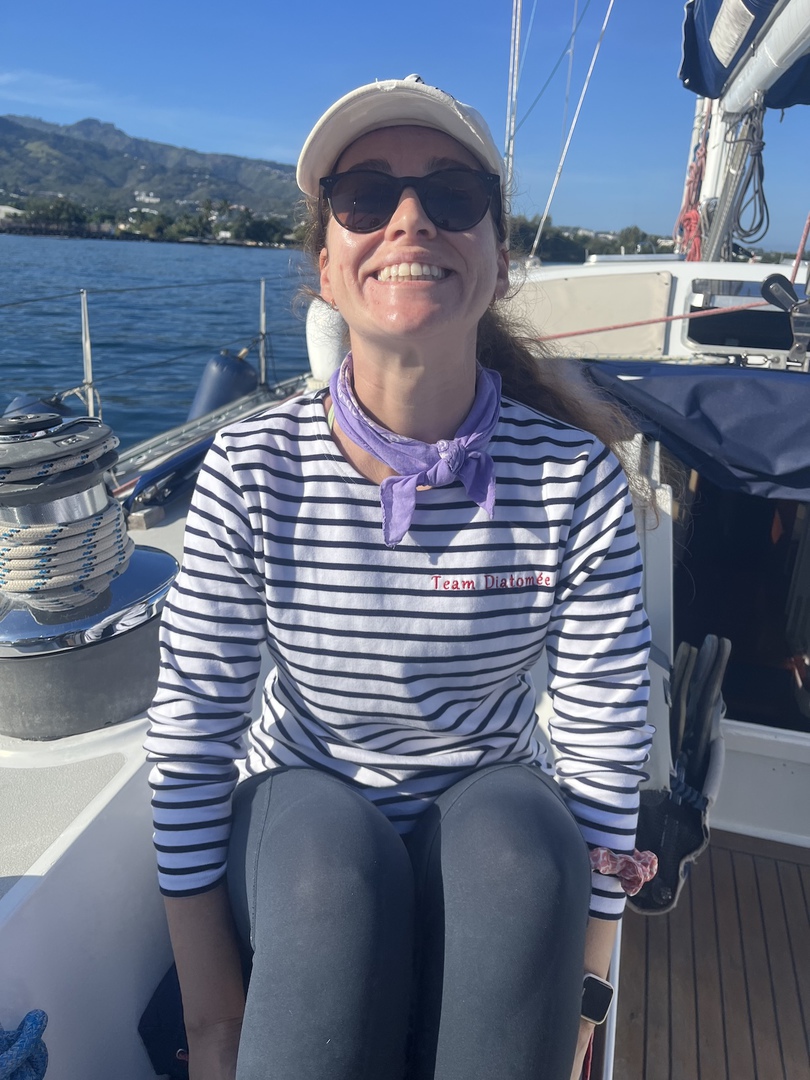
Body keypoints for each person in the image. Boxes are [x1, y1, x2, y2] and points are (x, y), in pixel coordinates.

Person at [146, 75, 653, 1080]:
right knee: (329, 879)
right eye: (366, 198)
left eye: (453, 196)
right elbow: (194, 737)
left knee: (523, 855)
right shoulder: (253, 468)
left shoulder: (574, 480)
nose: (410, 220)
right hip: (303, 817)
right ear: (326, 271)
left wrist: (584, 998)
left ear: (500, 261)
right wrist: (212, 1021)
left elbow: (603, 748)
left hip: (488, 812)